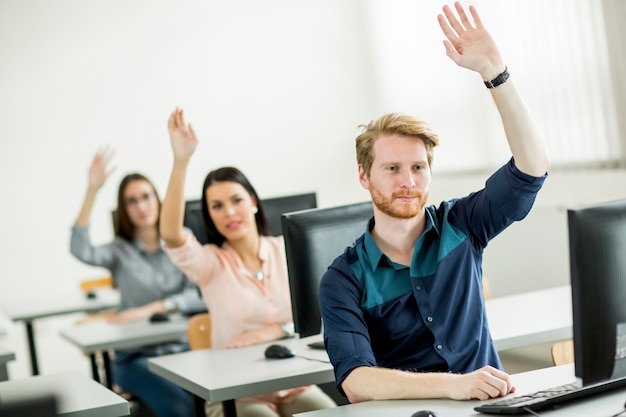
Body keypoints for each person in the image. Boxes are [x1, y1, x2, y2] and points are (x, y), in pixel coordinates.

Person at [319, 2, 550, 404]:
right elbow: (356, 382)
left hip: (491, 409)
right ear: (363, 176)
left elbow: (531, 169)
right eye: (391, 168)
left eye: (418, 167)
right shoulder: (343, 278)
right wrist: (454, 385)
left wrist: (495, 73)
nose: (408, 182)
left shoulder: (462, 224)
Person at [159, 108, 337, 417]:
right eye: (217, 206)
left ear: (253, 202)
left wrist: (275, 330)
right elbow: (171, 234)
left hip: (293, 384)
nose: (228, 212)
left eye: (236, 200)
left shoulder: (287, 251)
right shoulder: (210, 263)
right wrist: (181, 160)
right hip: (236, 395)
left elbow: (318, 318)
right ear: (209, 215)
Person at [70, 147, 207, 417]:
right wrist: (92, 189)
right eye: (132, 201)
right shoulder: (119, 251)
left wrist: (158, 307)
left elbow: (202, 293)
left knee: (216, 402)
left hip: (184, 349)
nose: (141, 206)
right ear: (124, 209)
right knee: (184, 410)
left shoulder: (181, 240)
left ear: (158, 199)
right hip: (136, 358)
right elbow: (79, 248)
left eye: (146, 197)